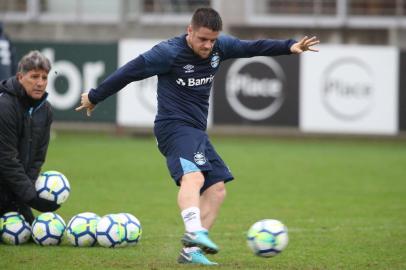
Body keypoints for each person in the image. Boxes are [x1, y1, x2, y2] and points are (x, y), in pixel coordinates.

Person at [76, 7, 319, 265]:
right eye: (202, 39)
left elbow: (252, 47)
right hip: (172, 128)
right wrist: (94, 96)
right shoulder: (167, 53)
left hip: (195, 132)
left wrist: (290, 46)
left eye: (212, 40)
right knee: (193, 176)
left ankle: (191, 251)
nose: (208, 45)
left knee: (216, 189)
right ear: (189, 31)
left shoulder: (219, 47)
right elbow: (128, 72)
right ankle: (194, 232)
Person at [0, 50, 60, 225]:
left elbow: (37, 158)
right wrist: (32, 197)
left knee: (29, 233)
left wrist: (24, 197)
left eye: (44, 77)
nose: (40, 83)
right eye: (34, 77)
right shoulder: (4, 106)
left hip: (13, 190)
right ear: (20, 77)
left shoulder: (46, 109)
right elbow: (6, 159)